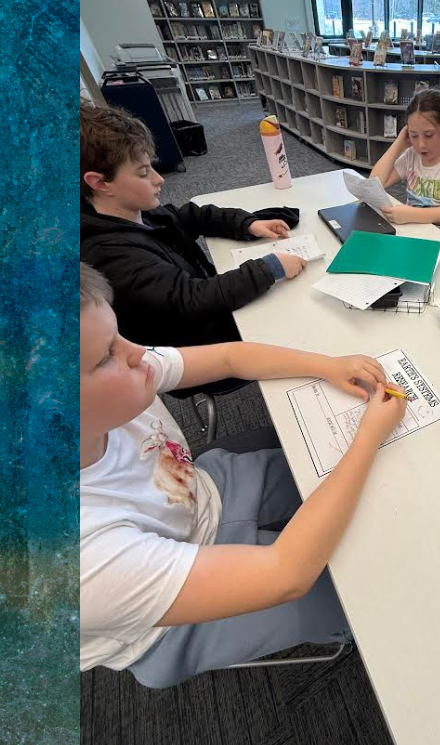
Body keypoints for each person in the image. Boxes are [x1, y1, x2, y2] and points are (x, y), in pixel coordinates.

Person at [79, 262, 407, 687]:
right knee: (373, 589)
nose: (139, 352)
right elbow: (286, 574)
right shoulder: (82, 562)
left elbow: (229, 356)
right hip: (167, 626)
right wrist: (369, 438)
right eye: (108, 354)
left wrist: (327, 365)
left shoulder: (118, 375)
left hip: (203, 496)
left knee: (368, 492)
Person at [80, 100, 309, 348]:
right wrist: (270, 268)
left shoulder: (132, 211)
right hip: (198, 341)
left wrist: (248, 224)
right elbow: (192, 299)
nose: (159, 180)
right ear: (100, 183)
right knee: (302, 314)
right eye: (143, 172)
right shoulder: (110, 255)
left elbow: (193, 216)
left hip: (205, 309)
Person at [369, 88, 440, 241]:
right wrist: (399, 143)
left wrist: (410, 214)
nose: (421, 144)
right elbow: (374, 184)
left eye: (428, 135)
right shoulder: (412, 154)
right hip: (411, 231)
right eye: (414, 135)